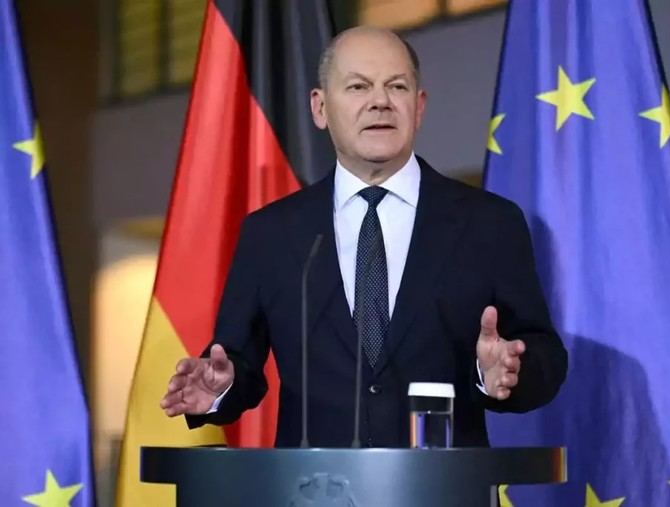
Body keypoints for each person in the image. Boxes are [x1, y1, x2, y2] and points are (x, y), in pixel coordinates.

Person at [160, 26, 567, 448]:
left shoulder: (489, 223)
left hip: (445, 479)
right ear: (320, 107)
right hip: (314, 481)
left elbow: (543, 354)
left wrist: (504, 371)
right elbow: (237, 361)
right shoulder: (271, 234)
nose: (380, 101)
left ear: (419, 107)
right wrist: (219, 387)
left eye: (397, 86)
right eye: (358, 86)